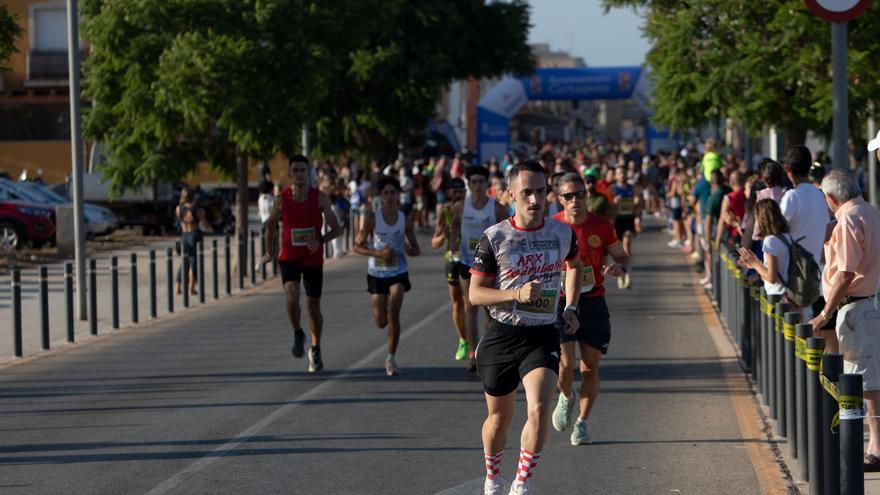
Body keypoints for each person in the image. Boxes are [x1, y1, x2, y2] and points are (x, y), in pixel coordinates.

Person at [469, 160, 583, 495]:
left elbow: (574, 266)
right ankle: (493, 478)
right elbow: (475, 294)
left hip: (542, 333)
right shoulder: (494, 237)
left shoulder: (562, 233)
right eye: (527, 192)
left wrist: (572, 305)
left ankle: (522, 483)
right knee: (499, 419)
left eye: (541, 191)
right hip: (503, 334)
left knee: (538, 408)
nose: (536, 199)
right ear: (510, 195)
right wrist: (515, 293)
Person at [808, 168, 880, 470]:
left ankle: (875, 448)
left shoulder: (849, 220)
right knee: (867, 375)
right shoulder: (871, 212)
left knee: (865, 379)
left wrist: (825, 313)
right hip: (870, 304)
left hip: (857, 307)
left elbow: (846, 272)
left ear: (831, 197)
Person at [550, 173, 626, 446]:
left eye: (580, 194)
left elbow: (621, 256)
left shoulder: (602, 226)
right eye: (568, 196)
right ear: (560, 199)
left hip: (592, 300)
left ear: (586, 196)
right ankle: (566, 396)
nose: (575, 200)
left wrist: (617, 267)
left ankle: (581, 423)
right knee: (565, 366)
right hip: (560, 301)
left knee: (589, 368)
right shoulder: (551, 226)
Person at [263, 155, 342, 372]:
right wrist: (269, 250)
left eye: (302, 170)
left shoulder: (320, 198)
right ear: (290, 174)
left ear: (308, 173)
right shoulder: (282, 199)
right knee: (291, 297)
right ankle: (298, 331)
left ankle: (315, 348)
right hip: (289, 257)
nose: (299, 174)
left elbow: (337, 229)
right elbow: (270, 225)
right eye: (295, 170)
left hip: (312, 259)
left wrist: (320, 240)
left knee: (313, 307)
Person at [354, 175, 421, 376]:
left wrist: (410, 249)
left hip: (398, 272)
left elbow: (416, 248)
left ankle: (390, 358)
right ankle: (387, 337)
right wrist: (378, 253)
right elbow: (357, 246)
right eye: (386, 193)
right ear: (380, 196)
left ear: (398, 195)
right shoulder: (372, 219)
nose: (390, 196)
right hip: (377, 272)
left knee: (394, 313)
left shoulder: (405, 220)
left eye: (393, 192)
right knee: (381, 320)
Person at [452, 165, 508, 372]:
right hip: (467, 262)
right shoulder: (459, 206)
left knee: (490, 311)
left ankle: (489, 350)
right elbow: (455, 226)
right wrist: (452, 246)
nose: (477, 186)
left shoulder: (497, 208)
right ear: (469, 184)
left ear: (487, 184)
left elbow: (507, 233)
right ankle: (473, 354)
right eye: (473, 182)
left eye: (480, 182)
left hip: (491, 266)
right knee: (470, 307)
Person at [431, 178, 468, 361]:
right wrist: (443, 235)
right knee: (457, 303)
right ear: (448, 193)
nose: (458, 194)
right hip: (452, 259)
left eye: (461, 190)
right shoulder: (444, 211)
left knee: (473, 303)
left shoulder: (472, 209)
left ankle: (475, 336)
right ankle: (463, 339)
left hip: (471, 258)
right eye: (454, 191)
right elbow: (435, 242)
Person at [736, 199, 792, 300]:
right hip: (788, 293)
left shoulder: (770, 241)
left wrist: (755, 264)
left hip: (777, 296)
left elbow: (772, 277)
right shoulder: (786, 237)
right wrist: (754, 264)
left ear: (762, 219)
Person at [611, 166, 641, 289]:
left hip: (629, 219)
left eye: (624, 172)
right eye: (619, 173)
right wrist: (614, 201)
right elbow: (608, 206)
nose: (622, 175)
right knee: (618, 249)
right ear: (616, 176)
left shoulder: (632, 188)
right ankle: (620, 275)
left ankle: (628, 273)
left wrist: (637, 202)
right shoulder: (612, 189)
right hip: (617, 221)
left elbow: (639, 205)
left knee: (627, 243)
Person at [175, 187, 207, 295]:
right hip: (194, 234)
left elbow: (179, 221)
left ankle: (178, 288)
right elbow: (205, 223)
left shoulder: (179, 208)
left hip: (184, 235)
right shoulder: (196, 209)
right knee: (193, 262)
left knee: (184, 261)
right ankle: (191, 288)